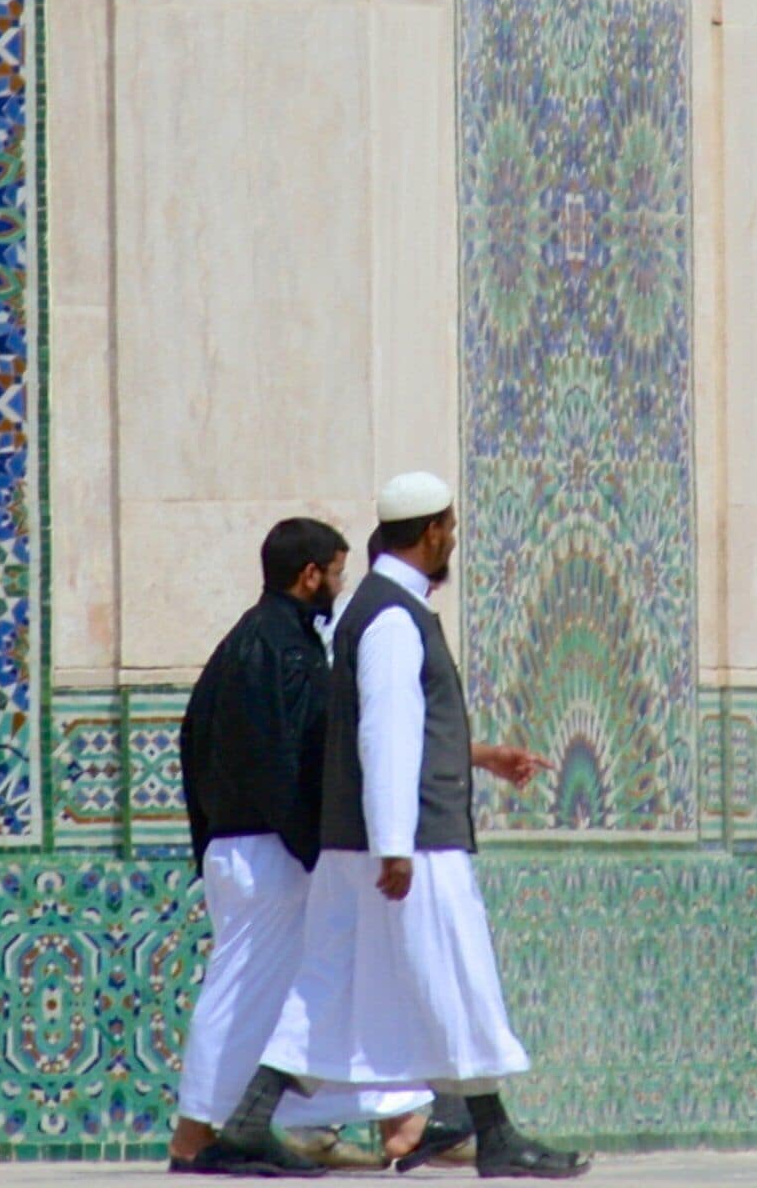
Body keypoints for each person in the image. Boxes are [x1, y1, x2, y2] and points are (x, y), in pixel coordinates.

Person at [201, 473, 588, 1179]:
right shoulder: (390, 619)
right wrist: (395, 846)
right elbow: (384, 735)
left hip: (370, 848)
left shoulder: (382, 610)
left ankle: (249, 1124)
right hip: (411, 848)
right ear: (434, 531)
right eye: (450, 528)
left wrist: (474, 760)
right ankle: (495, 1137)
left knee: (326, 992)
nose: (452, 540)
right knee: (458, 980)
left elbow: (397, 731)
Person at [169, 517, 435, 1176]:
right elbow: (280, 763)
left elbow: (193, 740)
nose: (340, 586)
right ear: (309, 573)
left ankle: (358, 1120)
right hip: (271, 852)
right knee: (246, 989)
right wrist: (313, 847)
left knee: (301, 987)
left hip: (242, 848)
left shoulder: (245, 643)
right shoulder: (280, 649)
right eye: (336, 572)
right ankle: (196, 1135)